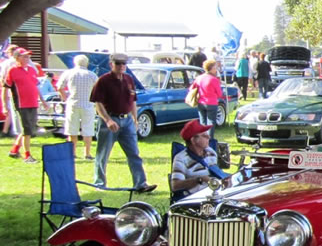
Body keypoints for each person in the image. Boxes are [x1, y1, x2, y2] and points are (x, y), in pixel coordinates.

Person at [89, 53, 155, 192]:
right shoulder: (103, 80)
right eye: (118, 63)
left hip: (127, 121)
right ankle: (99, 183)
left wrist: (135, 119)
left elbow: (133, 101)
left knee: (134, 154)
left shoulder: (128, 79)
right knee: (103, 154)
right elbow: (98, 103)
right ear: (111, 64)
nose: (121, 66)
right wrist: (107, 120)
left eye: (124, 63)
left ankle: (141, 184)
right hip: (110, 120)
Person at [56, 54, 99, 160]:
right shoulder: (92, 75)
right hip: (88, 104)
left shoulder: (68, 73)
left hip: (73, 103)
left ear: (75, 63)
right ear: (87, 63)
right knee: (88, 130)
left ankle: (72, 152)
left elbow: (59, 87)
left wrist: (65, 98)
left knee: (72, 130)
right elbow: (99, 89)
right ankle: (87, 153)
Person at [171, 119, 225, 199]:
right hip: (196, 198)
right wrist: (199, 179)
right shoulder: (181, 158)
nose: (209, 137)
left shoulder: (211, 152)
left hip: (216, 193)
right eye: (204, 135)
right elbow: (175, 185)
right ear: (193, 140)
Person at [4, 48, 40, 163]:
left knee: (29, 129)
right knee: (27, 130)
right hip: (21, 104)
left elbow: (35, 86)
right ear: (17, 57)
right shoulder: (12, 70)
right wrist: (5, 105)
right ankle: (27, 156)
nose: (27, 58)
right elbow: (5, 88)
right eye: (24, 56)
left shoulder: (32, 70)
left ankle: (14, 150)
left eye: (28, 56)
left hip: (33, 103)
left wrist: (43, 101)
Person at [191, 60, 223, 136]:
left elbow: (192, 88)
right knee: (211, 122)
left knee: (203, 122)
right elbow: (219, 94)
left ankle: (203, 138)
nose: (216, 69)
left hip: (201, 102)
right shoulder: (214, 79)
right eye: (215, 67)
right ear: (212, 68)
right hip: (211, 103)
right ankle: (209, 139)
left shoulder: (199, 78)